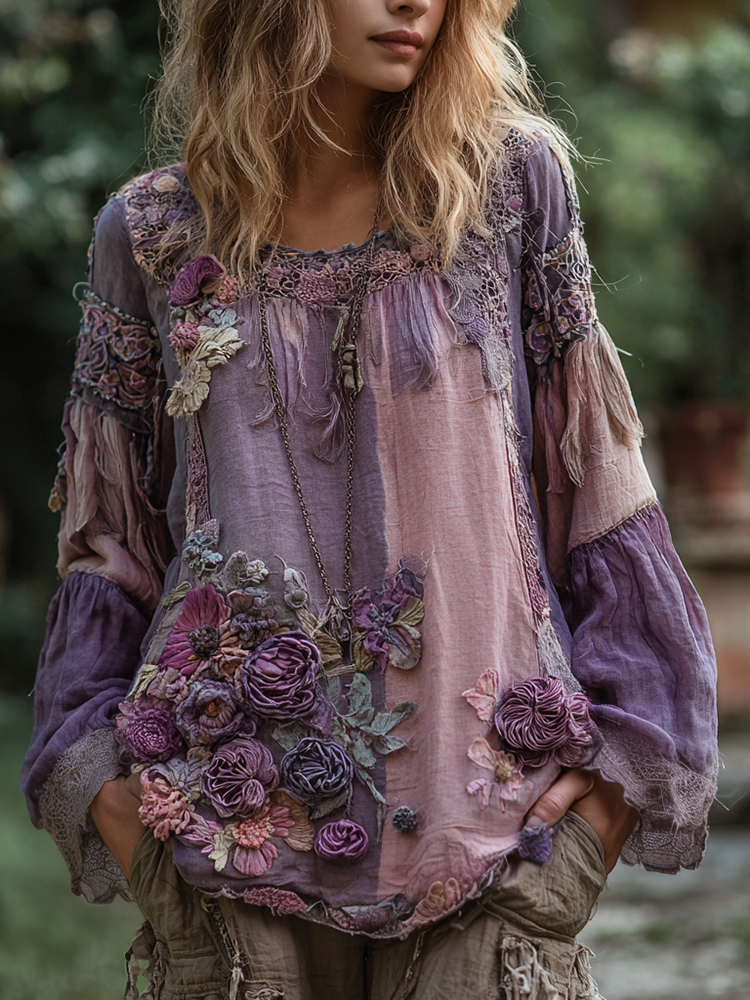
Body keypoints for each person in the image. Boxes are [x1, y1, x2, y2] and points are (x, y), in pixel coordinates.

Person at [22, 1, 719, 997]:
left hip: (491, 848)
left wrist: (601, 811)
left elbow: (602, 489)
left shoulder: (507, 193)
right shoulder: (152, 238)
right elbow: (108, 544)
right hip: (222, 856)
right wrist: (109, 795)